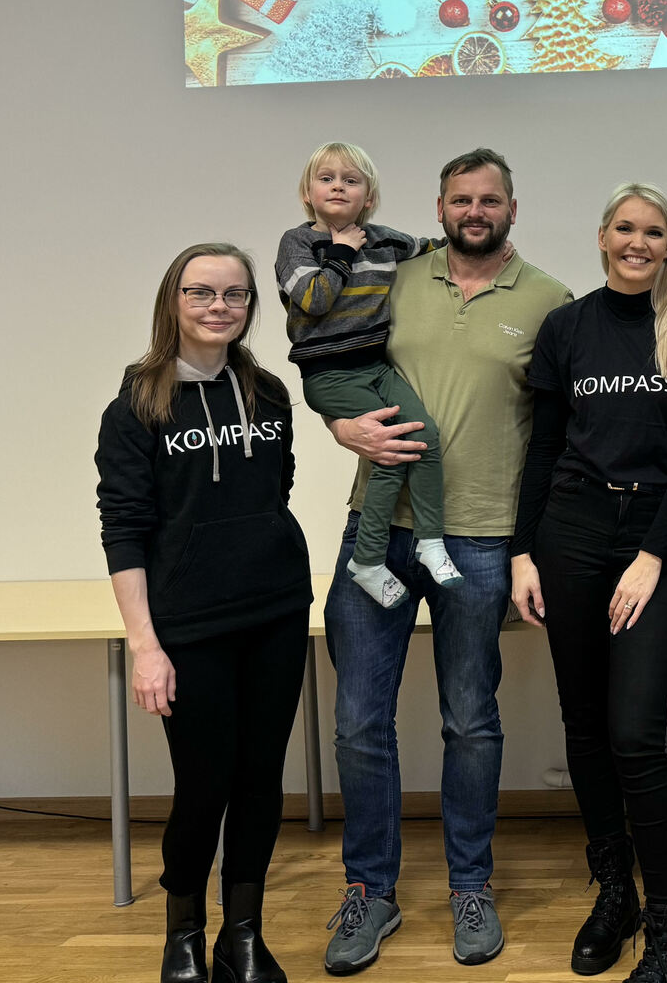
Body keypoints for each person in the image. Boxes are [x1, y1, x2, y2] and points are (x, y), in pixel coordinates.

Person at [319, 148, 572, 974]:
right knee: (359, 722)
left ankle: (470, 885)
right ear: (437, 208)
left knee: (470, 719)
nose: (474, 211)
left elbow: (558, 434)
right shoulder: (392, 279)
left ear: (512, 208)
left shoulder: (550, 301)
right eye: (461, 199)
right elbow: (335, 362)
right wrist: (341, 427)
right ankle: (370, 890)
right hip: (378, 526)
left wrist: (534, 546)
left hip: (481, 538)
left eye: (489, 199)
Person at [511, 182, 667, 983]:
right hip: (569, 530)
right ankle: (616, 895)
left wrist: (652, 554)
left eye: (655, 232)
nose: (639, 242)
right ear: (603, 237)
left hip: (655, 535)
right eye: (626, 228)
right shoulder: (567, 327)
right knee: (584, 724)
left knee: (636, 732)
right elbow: (544, 446)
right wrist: (522, 552)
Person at [96, 243, 312, 983]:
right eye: (202, 292)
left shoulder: (268, 393)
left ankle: (242, 935)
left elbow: (276, 489)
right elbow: (124, 530)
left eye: (235, 294)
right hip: (189, 627)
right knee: (204, 784)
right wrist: (145, 646)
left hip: (275, 611)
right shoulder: (137, 406)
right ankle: (183, 933)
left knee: (261, 779)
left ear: (251, 305)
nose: (219, 307)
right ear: (174, 301)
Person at [276, 141, 456, 608]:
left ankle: (430, 541)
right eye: (327, 179)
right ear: (307, 193)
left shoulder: (383, 239)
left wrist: (490, 253)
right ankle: (369, 560)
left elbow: (435, 248)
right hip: (330, 375)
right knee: (390, 455)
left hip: (376, 367)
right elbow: (314, 299)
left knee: (425, 437)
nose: (338, 187)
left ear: (369, 197)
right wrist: (341, 251)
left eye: (351, 180)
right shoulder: (297, 244)